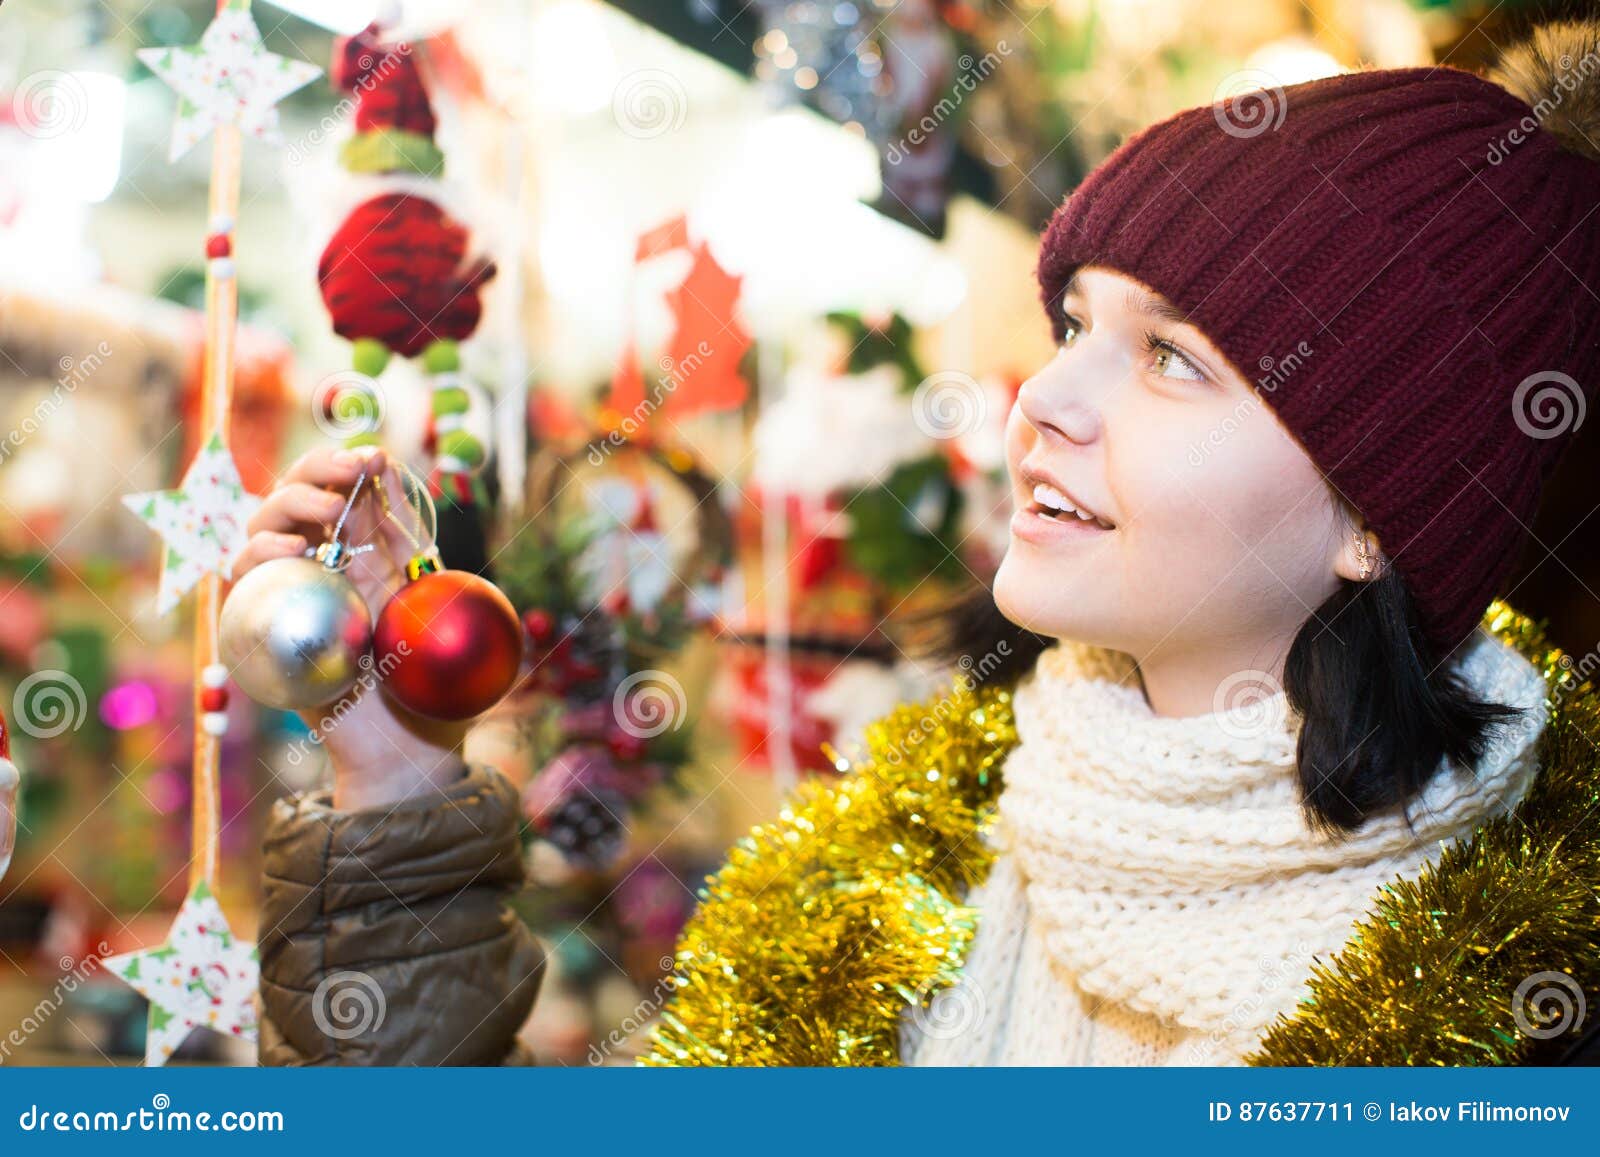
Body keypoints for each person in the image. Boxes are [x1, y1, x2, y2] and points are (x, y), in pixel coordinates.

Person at [243, 22, 1600, 1066]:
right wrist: (396, 780)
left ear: (1376, 516)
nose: (1048, 399)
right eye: (1078, 326)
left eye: (1176, 360)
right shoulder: (899, 865)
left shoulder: (1524, 1002)